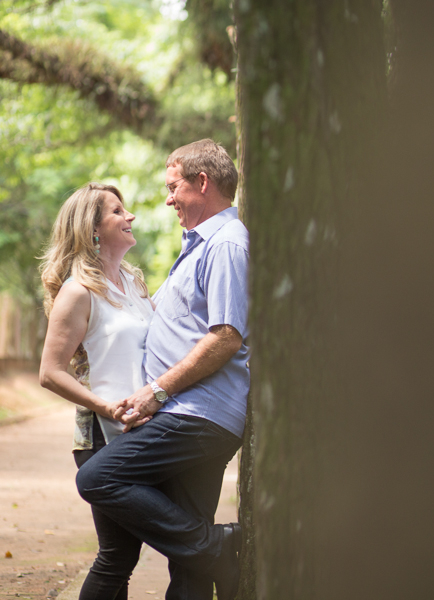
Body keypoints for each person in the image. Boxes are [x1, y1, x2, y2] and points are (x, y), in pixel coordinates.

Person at [75, 139, 250, 600]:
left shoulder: (227, 244)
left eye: (173, 187)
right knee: (186, 561)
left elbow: (226, 335)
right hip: (189, 412)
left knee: (98, 477)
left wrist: (157, 390)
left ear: (203, 182)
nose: (168, 198)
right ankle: (209, 547)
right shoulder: (197, 246)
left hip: (197, 413)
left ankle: (217, 545)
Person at [39, 183, 154, 600]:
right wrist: (106, 405)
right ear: (93, 231)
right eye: (118, 211)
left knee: (124, 557)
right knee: (117, 557)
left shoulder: (134, 283)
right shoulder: (78, 291)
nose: (131, 217)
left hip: (145, 430)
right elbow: (50, 372)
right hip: (103, 438)